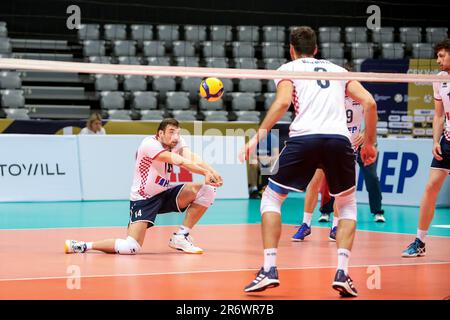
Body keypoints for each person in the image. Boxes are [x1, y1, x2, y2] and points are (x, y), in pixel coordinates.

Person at [240, 26, 377, 297]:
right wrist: (370, 143)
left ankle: (269, 268)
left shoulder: (288, 68)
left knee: (271, 199)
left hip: (304, 139)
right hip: (340, 141)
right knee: (347, 206)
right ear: (316, 49)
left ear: (292, 50)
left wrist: (256, 138)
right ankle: (342, 273)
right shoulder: (340, 71)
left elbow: (281, 105)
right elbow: (370, 103)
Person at [65, 118, 223, 255]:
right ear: (160, 133)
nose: (175, 136)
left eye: (178, 133)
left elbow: (191, 157)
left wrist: (212, 171)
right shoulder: (149, 144)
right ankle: (84, 245)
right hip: (144, 199)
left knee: (207, 190)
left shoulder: (178, 141)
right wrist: (204, 172)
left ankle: (181, 236)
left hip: (165, 193)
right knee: (131, 247)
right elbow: (180, 161)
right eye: (171, 132)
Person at [293, 89, 386, 241]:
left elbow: (373, 114)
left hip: (349, 146)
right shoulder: (330, 95)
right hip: (327, 142)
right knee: (314, 182)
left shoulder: (361, 96)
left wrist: (365, 132)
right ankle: (305, 224)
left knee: (342, 189)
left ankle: (336, 226)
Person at [402, 39, 450, 257]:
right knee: (431, 188)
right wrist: (436, 141)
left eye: (442, 56)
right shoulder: (439, 79)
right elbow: (439, 114)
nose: (438, 60)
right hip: (448, 141)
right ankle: (419, 241)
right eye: (437, 56)